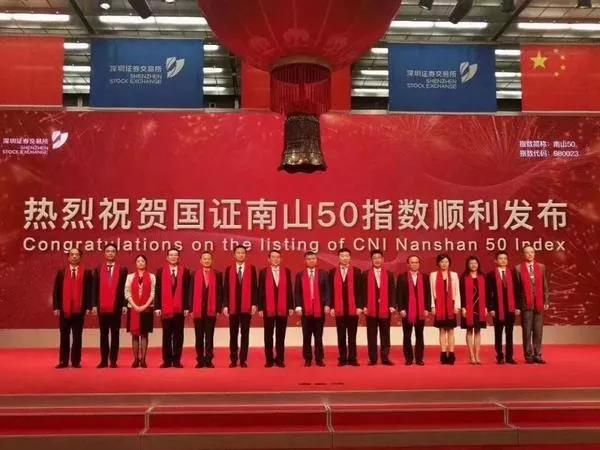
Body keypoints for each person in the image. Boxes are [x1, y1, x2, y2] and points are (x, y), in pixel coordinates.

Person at [53, 248, 93, 368]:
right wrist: (56, 307)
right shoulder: (61, 272)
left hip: (79, 309)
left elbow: (89, 291)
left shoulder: (86, 273)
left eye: (77, 255)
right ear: (68, 257)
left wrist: (88, 306)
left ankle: (76, 361)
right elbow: (56, 291)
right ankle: (63, 361)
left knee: (77, 336)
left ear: (80, 257)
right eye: (72, 254)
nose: (74, 256)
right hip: (64, 309)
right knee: (64, 335)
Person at [92, 243, 128, 368]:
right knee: (103, 334)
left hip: (116, 306)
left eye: (113, 251)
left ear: (116, 253)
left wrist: (124, 304)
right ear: (104, 253)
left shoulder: (122, 269)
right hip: (102, 307)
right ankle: (103, 360)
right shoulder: (98, 269)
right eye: (108, 251)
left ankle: (113, 360)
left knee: (115, 334)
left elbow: (124, 289)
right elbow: (94, 288)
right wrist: (94, 305)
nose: (110, 253)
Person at [155, 247, 190, 368]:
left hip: (180, 309)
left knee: (178, 335)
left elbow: (187, 290)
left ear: (179, 257)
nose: (173, 257)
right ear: (167, 257)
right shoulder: (160, 271)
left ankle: (176, 360)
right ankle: (167, 360)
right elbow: (158, 290)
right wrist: (157, 307)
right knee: (166, 335)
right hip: (165, 308)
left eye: (175, 255)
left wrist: (187, 307)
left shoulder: (185, 271)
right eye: (171, 255)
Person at [223, 245, 258, 368]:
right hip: (233, 306)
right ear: (234, 255)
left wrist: (254, 303)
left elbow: (254, 287)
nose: (241, 255)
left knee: (245, 334)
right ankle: (233, 359)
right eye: (238, 252)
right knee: (233, 334)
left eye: (243, 253)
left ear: (245, 255)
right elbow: (226, 288)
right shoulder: (229, 269)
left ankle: (243, 359)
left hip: (246, 307)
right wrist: (225, 305)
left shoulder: (251, 269)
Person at [294, 251, 331, 367]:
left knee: (318, 336)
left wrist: (327, 304)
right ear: (305, 261)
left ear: (316, 260)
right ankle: (308, 358)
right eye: (309, 259)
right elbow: (297, 293)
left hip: (319, 309)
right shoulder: (300, 275)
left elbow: (327, 291)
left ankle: (319, 359)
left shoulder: (323, 274)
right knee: (306, 336)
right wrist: (298, 307)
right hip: (305, 310)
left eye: (313, 258)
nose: (311, 261)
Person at [514, 245, 550, 364]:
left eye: (532, 252)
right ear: (523, 254)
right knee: (527, 331)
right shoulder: (518, 268)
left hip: (539, 303)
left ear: (534, 253)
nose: (530, 254)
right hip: (525, 304)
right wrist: (517, 306)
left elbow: (545, 285)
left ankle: (537, 354)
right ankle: (528, 355)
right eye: (527, 252)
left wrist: (546, 301)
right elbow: (517, 289)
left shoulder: (541, 267)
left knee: (538, 331)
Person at [258, 250, 294, 368]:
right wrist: (260, 307)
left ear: (281, 259)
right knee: (268, 335)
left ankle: (280, 359)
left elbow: (289, 289)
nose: (276, 259)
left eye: (278, 257)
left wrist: (290, 306)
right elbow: (260, 291)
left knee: (280, 335)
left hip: (283, 308)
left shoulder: (286, 271)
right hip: (268, 308)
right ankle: (269, 359)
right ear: (269, 259)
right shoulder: (263, 272)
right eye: (273, 257)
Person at [329, 248, 363, 367]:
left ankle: (352, 358)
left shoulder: (357, 271)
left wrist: (359, 306)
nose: (344, 258)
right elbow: (331, 291)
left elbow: (360, 291)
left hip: (353, 308)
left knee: (352, 336)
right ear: (339, 257)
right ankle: (342, 358)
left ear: (350, 257)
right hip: (339, 309)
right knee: (341, 335)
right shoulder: (333, 272)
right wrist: (332, 307)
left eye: (347, 256)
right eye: (342, 256)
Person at [189, 251, 223, 368]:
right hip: (197, 309)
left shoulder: (217, 274)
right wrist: (191, 309)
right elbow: (191, 292)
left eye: (209, 259)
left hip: (211, 309)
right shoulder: (194, 274)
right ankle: (199, 360)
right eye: (204, 258)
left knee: (209, 336)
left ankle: (208, 360)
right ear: (201, 261)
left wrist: (218, 309)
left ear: (212, 260)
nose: (207, 260)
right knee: (199, 336)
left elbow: (220, 293)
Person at [363, 249, 396, 366]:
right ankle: (372, 359)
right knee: (371, 335)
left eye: (379, 258)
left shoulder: (389, 274)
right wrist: (364, 306)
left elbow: (392, 291)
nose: (377, 260)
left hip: (385, 308)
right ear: (371, 260)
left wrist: (392, 305)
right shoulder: (365, 274)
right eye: (374, 258)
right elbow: (362, 292)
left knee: (385, 334)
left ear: (383, 259)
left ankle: (385, 358)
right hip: (370, 309)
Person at [486, 251, 520, 365]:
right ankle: (500, 356)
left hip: (510, 308)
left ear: (507, 260)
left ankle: (509, 357)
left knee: (509, 333)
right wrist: (491, 308)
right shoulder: (491, 275)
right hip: (497, 309)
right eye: (500, 258)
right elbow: (488, 293)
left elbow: (517, 291)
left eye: (505, 258)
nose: (503, 260)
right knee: (498, 333)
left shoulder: (513, 273)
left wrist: (517, 306)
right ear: (496, 261)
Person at [397, 255, 431, 366]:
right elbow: (399, 294)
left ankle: (419, 359)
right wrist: (401, 309)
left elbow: (428, 294)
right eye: (412, 262)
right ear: (408, 264)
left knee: (419, 335)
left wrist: (427, 308)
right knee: (407, 336)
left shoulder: (425, 277)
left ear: (419, 264)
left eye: (416, 262)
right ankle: (408, 358)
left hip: (420, 310)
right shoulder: (402, 277)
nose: (414, 264)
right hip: (407, 310)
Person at [124, 254, 155, 368]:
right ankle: (136, 359)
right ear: (136, 263)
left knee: (144, 334)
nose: (141, 263)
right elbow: (127, 292)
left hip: (147, 308)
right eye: (138, 261)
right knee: (135, 335)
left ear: (146, 263)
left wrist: (145, 305)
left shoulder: (152, 276)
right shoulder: (130, 277)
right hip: (133, 308)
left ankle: (143, 359)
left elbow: (153, 293)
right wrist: (135, 306)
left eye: (143, 261)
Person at [430, 254, 461, 365]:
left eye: (446, 262)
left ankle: (451, 354)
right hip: (439, 304)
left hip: (451, 305)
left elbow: (457, 291)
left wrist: (457, 305)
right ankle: (443, 354)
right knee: (442, 330)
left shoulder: (454, 275)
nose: (444, 264)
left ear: (449, 263)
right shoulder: (433, 275)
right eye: (442, 262)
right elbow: (431, 292)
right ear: (438, 263)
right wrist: (433, 306)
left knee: (451, 330)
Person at [460, 256, 488, 365]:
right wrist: (463, 307)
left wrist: (485, 307)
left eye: (475, 263)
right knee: (469, 331)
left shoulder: (483, 276)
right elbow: (461, 293)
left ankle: (477, 355)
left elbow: (486, 293)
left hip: (480, 307)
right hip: (468, 307)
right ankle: (471, 355)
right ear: (468, 265)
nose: (473, 265)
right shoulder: (463, 277)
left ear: (478, 264)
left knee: (477, 331)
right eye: (471, 263)